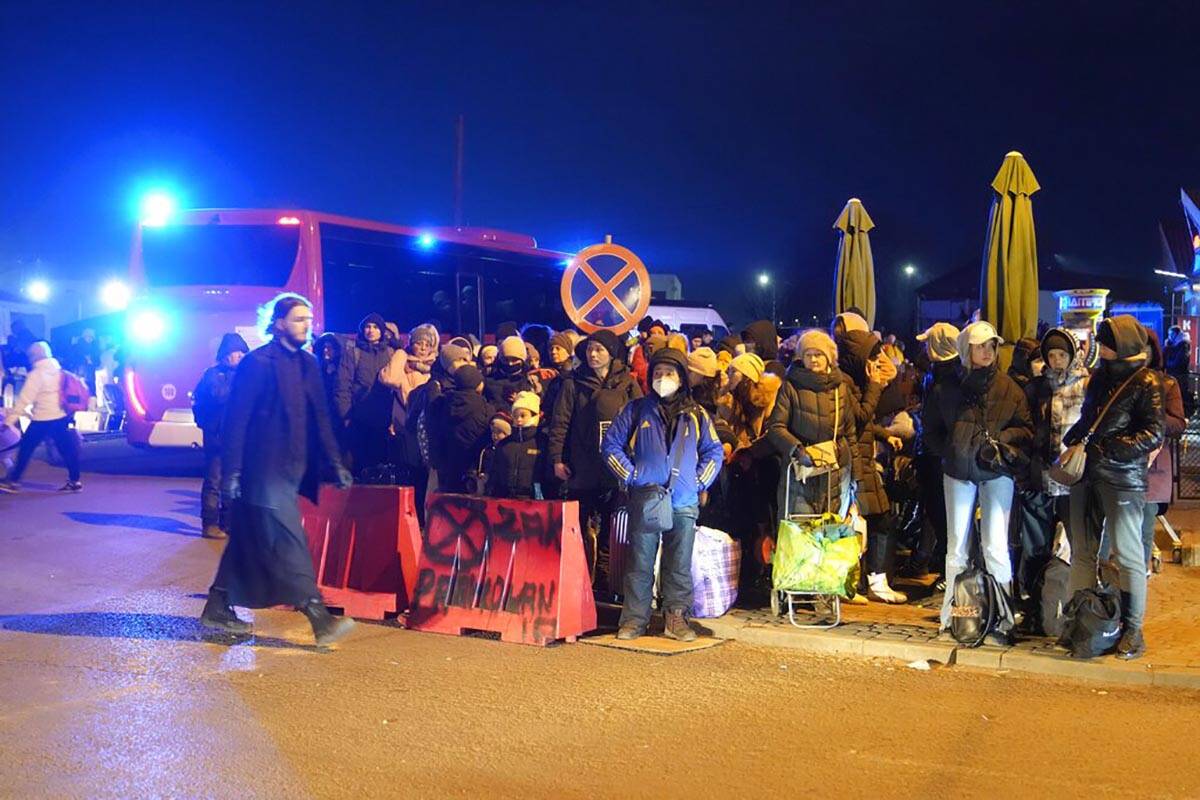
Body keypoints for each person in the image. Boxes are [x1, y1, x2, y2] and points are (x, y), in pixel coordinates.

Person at [199, 294, 356, 648]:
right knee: (289, 539)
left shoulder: (308, 364)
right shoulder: (257, 363)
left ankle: (218, 604)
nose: (306, 325)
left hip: (294, 469)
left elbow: (321, 418)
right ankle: (320, 618)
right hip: (262, 469)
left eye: (308, 319)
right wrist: (233, 472)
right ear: (279, 322)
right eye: (299, 318)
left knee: (248, 541)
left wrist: (336, 462)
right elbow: (236, 421)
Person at [603, 347, 724, 641]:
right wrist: (631, 475)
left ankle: (676, 620)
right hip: (646, 496)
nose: (662, 378)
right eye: (657, 373)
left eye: (668, 373)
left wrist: (698, 483)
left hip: (683, 500)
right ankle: (634, 620)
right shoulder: (635, 410)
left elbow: (714, 451)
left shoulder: (697, 414)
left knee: (678, 566)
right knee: (640, 563)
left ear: (681, 378)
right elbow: (610, 446)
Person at [923, 321, 1032, 643]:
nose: (988, 351)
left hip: (996, 471)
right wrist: (952, 451)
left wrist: (1002, 439)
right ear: (965, 348)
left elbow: (1025, 428)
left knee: (996, 546)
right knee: (956, 547)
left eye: (992, 346)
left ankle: (1003, 619)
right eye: (981, 345)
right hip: (958, 471)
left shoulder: (1008, 387)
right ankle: (951, 617)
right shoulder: (945, 388)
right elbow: (929, 429)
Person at [1064, 316, 1164, 660]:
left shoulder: (1147, 381)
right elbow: (1090, 417)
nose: (1100, 348)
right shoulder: (1100, 377)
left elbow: (1153, 432)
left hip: (1122, 479)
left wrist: (1109, 448)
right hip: (1088, 475)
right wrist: (1073, 439)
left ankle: (1133, 630)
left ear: (1122, 346)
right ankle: (1081, 623)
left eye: (1106, 343)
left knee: (1128, 554)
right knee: (1082, 552)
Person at [549, 330, 641, 571]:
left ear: (611, 354)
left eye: (599, 349)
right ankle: (579, 573)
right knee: (579, 525)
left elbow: (641, 422)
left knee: (612, 526)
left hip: (615, 468)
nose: (593, 354)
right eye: (590, 349)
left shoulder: (627, 384)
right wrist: (557, 458)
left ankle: (605, 574)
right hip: (582, 465)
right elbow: (560, 422)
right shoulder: (573, 384)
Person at [1021, 327, 1088, 620]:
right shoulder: (1037, 388)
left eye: (1062, 354)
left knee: (1076, 544)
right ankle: (1039, 607)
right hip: (1042, 477)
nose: (1057, 360)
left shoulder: (1086, 385)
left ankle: (1072, 607)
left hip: (1073, 479)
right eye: (1052, 355)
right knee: (1035, 546)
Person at [833, 327, 904, 603]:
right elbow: (860, 416)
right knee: (865, 521)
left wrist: (885, 435)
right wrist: (874, 386)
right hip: (853, 460)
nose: (877, 362)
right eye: (871, 356)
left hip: (862, 456)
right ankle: (858, 582)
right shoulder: (844, 383)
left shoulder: (854, 381)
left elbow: (865, 420)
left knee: (877, 519)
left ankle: (872, 581)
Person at [766, 329, 863, 518]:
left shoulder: (841, 387)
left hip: (836, 473)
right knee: (801, 535)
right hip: (801, 473)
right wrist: (797, 449)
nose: (814, 359)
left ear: (829, 357)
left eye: (818, 354)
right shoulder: (791, 386)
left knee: (832, 537)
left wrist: (856, 476)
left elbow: (850, 432)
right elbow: (776, 426)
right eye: (808, 355)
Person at [907, 322, 961, 579]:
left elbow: (941, 421)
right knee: (937, 513)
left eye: (929, 343)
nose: (925, 347)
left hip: (938, 457)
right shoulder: (936, 373)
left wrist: (934, 448)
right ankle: (942, 566)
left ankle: (948, 572)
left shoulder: (948, 377)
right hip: (931, 454)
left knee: (943, 515)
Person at [0, 341, 83, 493]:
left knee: (26, 449)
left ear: (35, 356)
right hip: (61, 416)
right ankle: (75, 480)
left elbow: (24, 400)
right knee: (67, 449)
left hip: (42, 418)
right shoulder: (59, 371)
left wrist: (9, 421)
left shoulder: (36, 375)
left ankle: (13, 481)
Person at [191, 333, 250, 539]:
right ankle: (209, 524)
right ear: (226, 355)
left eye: (244, 353)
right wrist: (206, 425)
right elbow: (211, 398)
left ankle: (229, 523)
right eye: (237, 353)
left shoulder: (247, 375)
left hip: (239, 439)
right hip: (217, 437)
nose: (241, 357)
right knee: (214, 481)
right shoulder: (213, 375)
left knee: (233, 482)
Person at [1142, 328, 1186, 574]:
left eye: (1145, 348)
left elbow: (1178, 423)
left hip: (1154, 467)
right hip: (1121, 468)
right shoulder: (1117, 382)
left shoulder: (1168, 384)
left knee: (1145, 527)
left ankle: (1140, 583)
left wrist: (1152, 415)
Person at [333, 312, 395, 475]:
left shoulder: (390, 353)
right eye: (367, 327)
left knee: (381, 465)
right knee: (360, 465)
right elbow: (343, 385)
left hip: (383, 419)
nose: (371, 330)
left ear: (382, 331)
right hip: (358, 418)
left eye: (375, 327)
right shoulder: (353, 352)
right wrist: (345, 414)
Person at [379, 323, 439, 480]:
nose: (423, 348)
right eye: (419, 343)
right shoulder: (403, 363)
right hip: (405, 425)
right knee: (408, 471)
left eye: (427, 344)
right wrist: (400, 355)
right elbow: (389, 379)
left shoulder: (436, 366)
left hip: (428, 424)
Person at [426, 364, 493, 493]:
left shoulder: (442, 403)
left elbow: (431, 412)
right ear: (479, 384)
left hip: (446, 468)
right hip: (472, 470)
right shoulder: (485, 408)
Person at [485, 392, 546, 500]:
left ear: (533, 416)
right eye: (515, 415)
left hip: (533, 500)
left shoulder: (541, 442)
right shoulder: (505, 444)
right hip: (506, 499)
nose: (519, 420)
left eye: (523, 415)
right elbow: (495, 472)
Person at [485, 336, 533, 407]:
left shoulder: (530, 380)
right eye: (506, 359)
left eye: (514, 360)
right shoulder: (490, 381)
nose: (510, 364)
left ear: (522, 360)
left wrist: (521, 402)